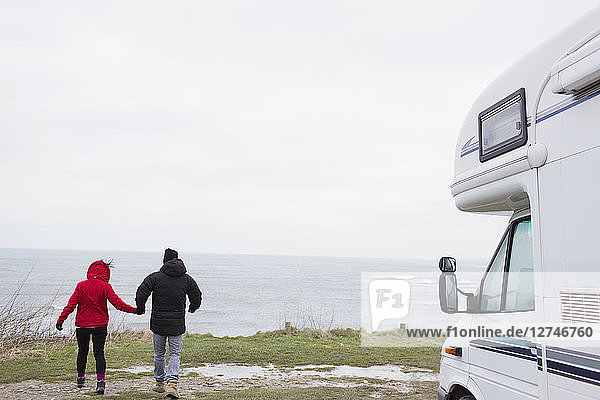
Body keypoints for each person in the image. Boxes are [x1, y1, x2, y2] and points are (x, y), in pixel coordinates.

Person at [56, 260, 139, 395]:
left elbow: (71, 305)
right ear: (106, 272)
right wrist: (135, 310)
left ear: (90, 271)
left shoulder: (81, 286)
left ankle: (80, 379)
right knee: (99, 353)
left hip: (82, 325)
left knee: (82, 352)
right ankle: (100, 383)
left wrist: (61, 320)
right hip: (100, 325)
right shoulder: (106, 287)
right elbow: (118, 304)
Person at [136, 248, 202, 399]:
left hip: (158, 323)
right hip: (177, 324)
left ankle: (160, 384)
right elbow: (196, 295)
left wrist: (141, 308)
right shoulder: (186, 279)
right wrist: (193, 307)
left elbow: (141, 292)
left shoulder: (155, 277)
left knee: (159, 353)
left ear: (164, 261)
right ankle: (172, 384)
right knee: (174, 354)